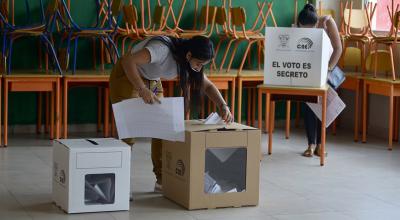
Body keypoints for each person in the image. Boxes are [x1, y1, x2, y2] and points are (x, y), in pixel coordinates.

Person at [109, 35, 234, 192]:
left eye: (203, 65)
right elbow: (128, 61)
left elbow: (208, 86)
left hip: (151, 80)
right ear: (188, 55)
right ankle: (119, 185)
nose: (199, 68)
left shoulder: (188, 63)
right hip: (127, 75)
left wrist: (223, 106)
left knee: (163, 128)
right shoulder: (161, 50)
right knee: (128, 133)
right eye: (199, 63)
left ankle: (162, 179)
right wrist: (141, 89)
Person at [297, 4, 343, 157]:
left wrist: (328, 69)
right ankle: (310, 144)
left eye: (311, 28)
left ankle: (321, 145)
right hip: (309, 70)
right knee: (309, 106)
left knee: (323, 108)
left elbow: (338, 48)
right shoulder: (298, 27)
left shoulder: (327, 22)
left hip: (327, 70)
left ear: (316, 24)